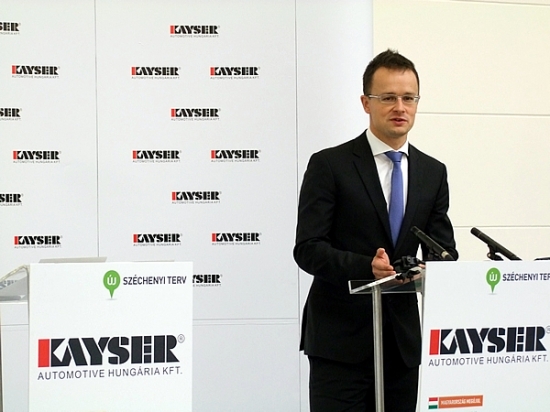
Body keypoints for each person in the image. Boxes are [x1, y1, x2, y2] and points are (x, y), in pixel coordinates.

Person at [294, 49, 458, 412]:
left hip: (401, 345)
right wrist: (365, 266)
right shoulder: (330, 165)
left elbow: (443, 251)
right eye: (388, 98)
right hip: (340, 342)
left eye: (409, 98)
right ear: (366, 103)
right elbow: (307, 248)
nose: (400, 107)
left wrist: (430, 269)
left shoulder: (433, 172)